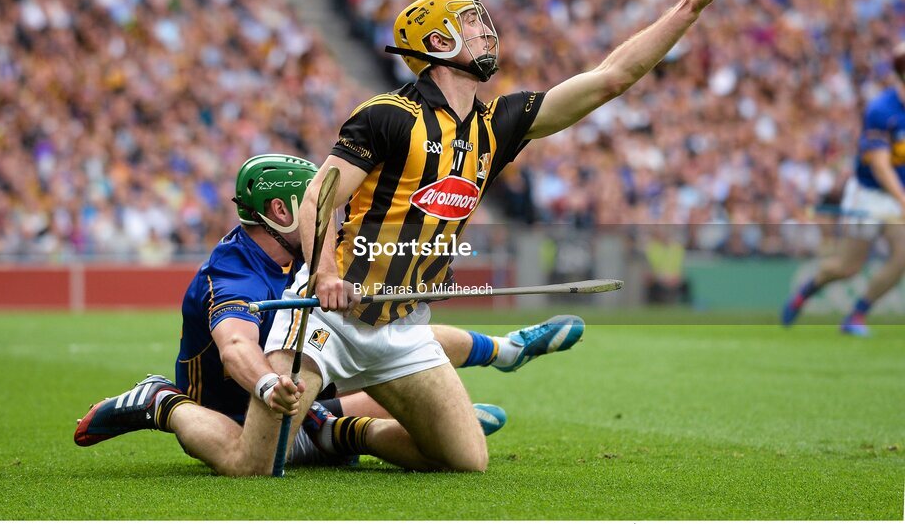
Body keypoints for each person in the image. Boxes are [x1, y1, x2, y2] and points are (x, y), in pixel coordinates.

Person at [265, 0, 732, 472]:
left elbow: (611, 78)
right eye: (472, 23)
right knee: (259, 460)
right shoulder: (387, 116)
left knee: (467, 461)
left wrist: (687, 9)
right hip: (330, 315)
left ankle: (338, 433)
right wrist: (325, 272)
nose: (488, 32)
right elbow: (319, 197)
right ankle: (172, 403)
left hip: (404, 328)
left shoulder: (496, 125)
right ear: (439, 43)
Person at [74, 154, 584, 475]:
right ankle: (161, 402)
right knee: (254, 464)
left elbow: (389, 328)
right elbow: (236, 350)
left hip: (308, 397)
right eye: (318, 205)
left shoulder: (313, 257)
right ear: (279, 212)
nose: (332, 215)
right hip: (235, 408)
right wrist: (269, 388)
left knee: (389, 336)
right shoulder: (231, 275)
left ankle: (504, 351)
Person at [782, 43, 905, 337]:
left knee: (903, 255)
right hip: (870, 194)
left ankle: (856, 314)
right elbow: (880, 164)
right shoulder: (881, 109)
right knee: (847, 267)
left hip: (896, 200)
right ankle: (807, 290)